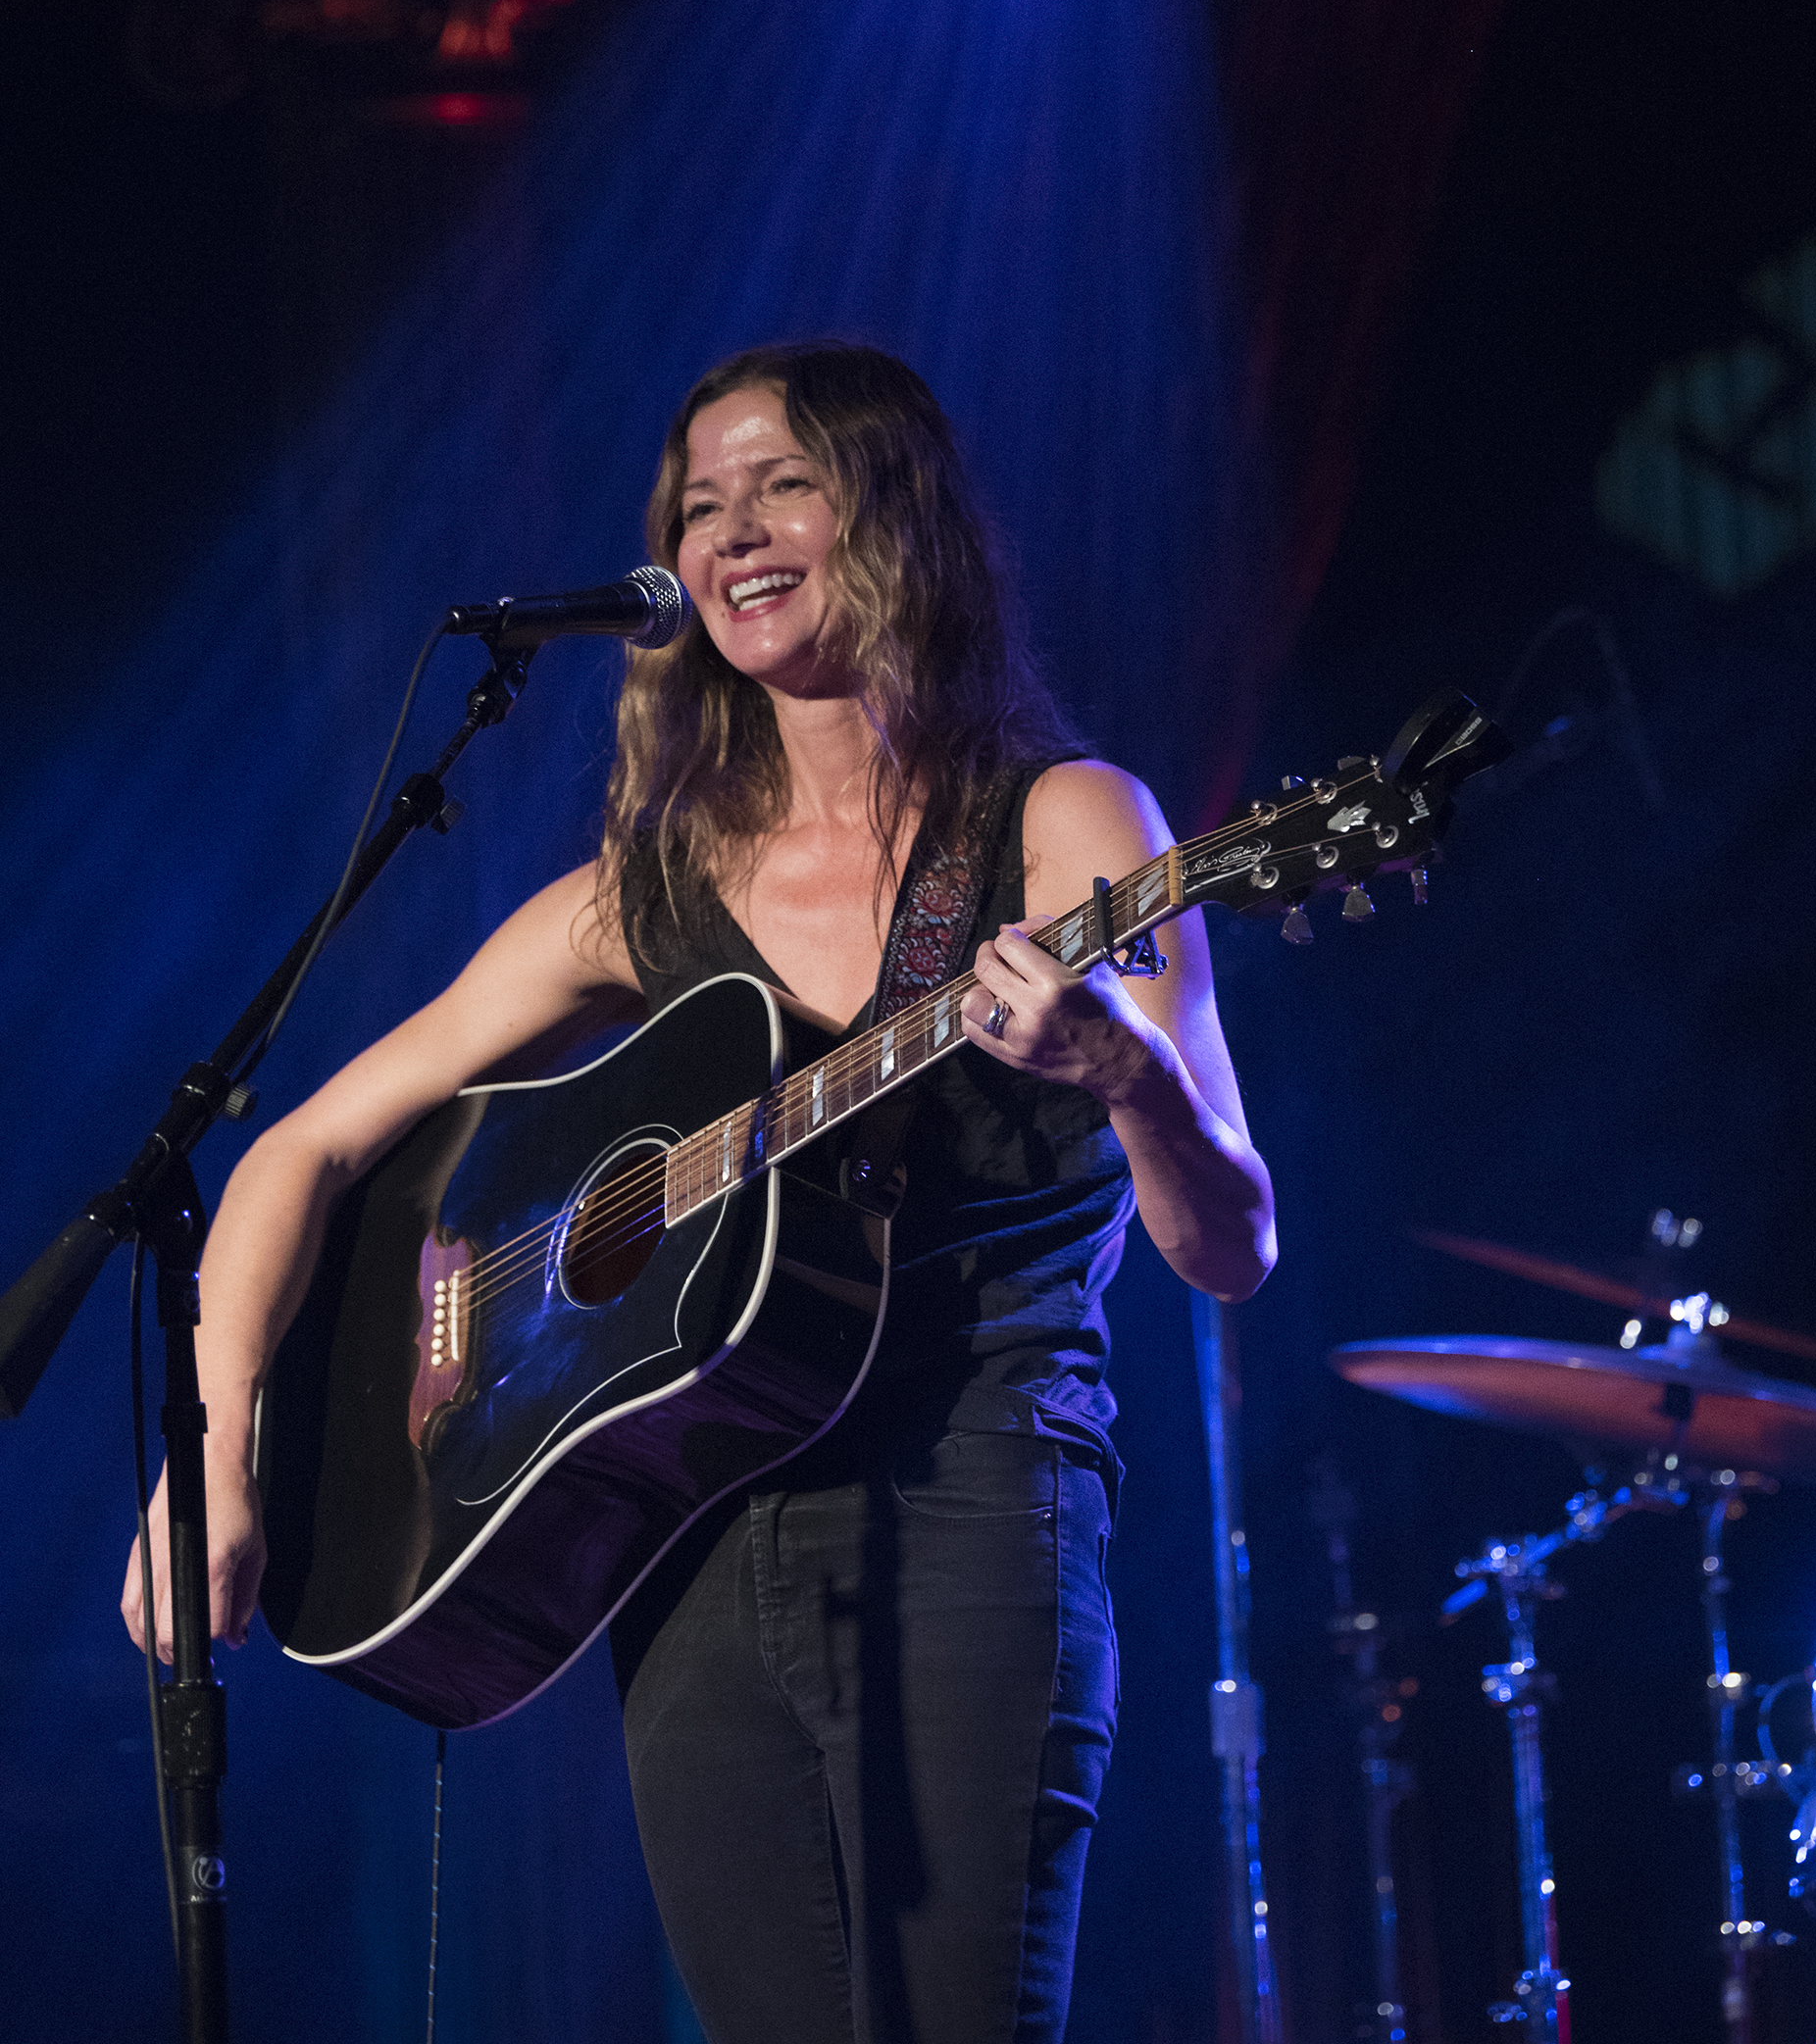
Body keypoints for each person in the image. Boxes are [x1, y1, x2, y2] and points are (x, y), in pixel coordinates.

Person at [124, 340, 1276, 2044]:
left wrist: (1126, 1071)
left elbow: (1232, 1242)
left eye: (784, 482)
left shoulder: (1068, 820)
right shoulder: (635, 895)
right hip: (693, 1529)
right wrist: (208, 1463)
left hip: (977, 1493)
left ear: (893, 512)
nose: (731, 530)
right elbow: (301, 1147)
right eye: (699, 501)